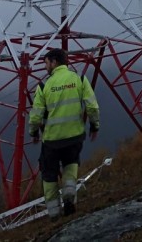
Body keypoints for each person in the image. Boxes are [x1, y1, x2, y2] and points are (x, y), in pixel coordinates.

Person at [28, 47, 100, 218]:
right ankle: (69, 198)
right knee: (71, 165)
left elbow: (36, 116)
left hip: (52, 140)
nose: (45, 67)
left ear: (54, 62)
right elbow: (92, 106)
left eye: (46, 63)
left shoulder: (44, 86)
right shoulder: (79, 79)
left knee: (49, 174)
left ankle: (54, 214)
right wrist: (94, 126)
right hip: (75, 136)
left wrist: (34, 133)